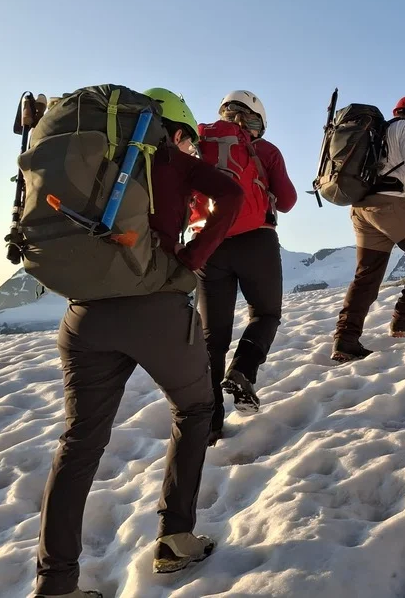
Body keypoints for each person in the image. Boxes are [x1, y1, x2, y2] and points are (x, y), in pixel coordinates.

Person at [34, 88, 243, 597]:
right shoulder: (169, 157)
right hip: (156, 308)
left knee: (79, 443)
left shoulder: (94, 160)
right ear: (172, 130)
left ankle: (55, 583)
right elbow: (232, 196)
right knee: (194, 410)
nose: (190, 148)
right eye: (188, 139)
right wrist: (191, 260)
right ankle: (174, 537)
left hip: (84, 315)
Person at [190, 90, 297, 442]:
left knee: (212, 338)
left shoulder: (198, 147)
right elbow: (288, 202)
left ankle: (209, 424)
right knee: (265, 315)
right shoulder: (265, 151)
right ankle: (243, 371)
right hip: (256, 242)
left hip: (210, 245)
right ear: (256, 120)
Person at [331, 95, 405, 362]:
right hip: (390, 204)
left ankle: (345, 340)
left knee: (366, 275)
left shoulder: (376, 132)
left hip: (361, 209)